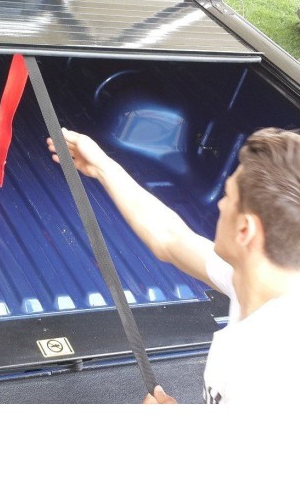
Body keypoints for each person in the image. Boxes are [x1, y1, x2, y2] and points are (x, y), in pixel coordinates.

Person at [47, 127, 300, 405]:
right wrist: (101, 166)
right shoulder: (262, 278)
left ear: (245, 230)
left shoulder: (270, 378)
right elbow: (170, 238)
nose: (220, 204)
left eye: (228, 195)